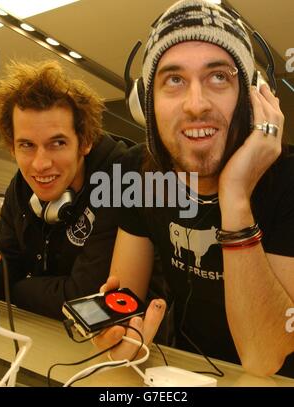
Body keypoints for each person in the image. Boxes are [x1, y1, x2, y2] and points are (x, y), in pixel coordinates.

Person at [95, 0, 294, 377]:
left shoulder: (288, 181)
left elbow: (264, 357)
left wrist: (234, 194)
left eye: (219, 76)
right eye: (173, 80)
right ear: (146, 104)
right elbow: (129, 299)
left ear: (253, 99)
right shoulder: (136, 173)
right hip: (182, 372)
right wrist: (121, 330)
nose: (196, 105)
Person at [0, 60, 130, 319]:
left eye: (57, 143)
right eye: (26, 145)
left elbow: (87, 300)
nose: (41, 164)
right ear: (13, 147)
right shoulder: (20, 186)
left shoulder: (122, 181)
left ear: (85, 142)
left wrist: (14, 289)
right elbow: (7, 261)